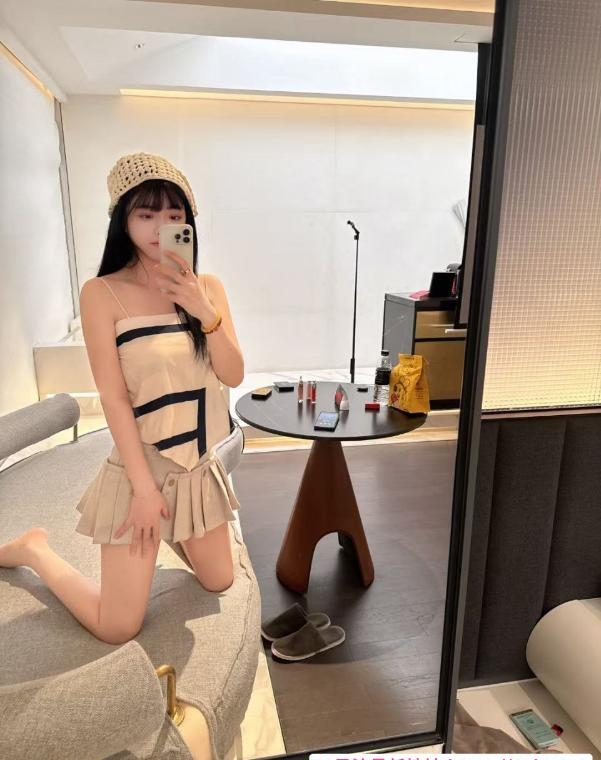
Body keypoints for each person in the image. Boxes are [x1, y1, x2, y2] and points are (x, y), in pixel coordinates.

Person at [0, 152, 245, 644]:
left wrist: (204, 311)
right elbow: (113, 399)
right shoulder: (102, 293)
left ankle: (171, 530)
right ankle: (35, 551)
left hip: (196, 467)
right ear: (123, 220)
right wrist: (146, 492)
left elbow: (232, 374)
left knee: (220, 579)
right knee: (117, 626)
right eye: (146, 214)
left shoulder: (208, 288)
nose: (161, 227)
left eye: (174, 214)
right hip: (143, 468)